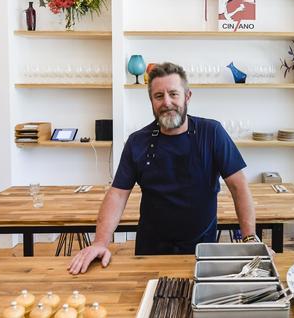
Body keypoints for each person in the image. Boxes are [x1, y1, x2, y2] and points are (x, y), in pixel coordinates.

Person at [68, 62, 257, 274]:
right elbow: (118, 194)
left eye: (173, 94)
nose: (167, 102)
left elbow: (238, 186)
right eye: (159, 96)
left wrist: (250, 240)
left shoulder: (212, 132)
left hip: (201, 249)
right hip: (151, 251)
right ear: (151, 101)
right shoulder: (137, 142)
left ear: (187, 96)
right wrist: (100, 243)